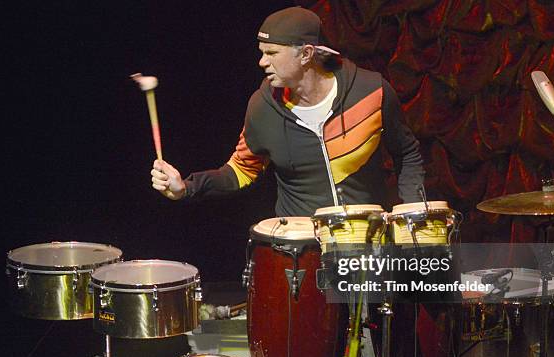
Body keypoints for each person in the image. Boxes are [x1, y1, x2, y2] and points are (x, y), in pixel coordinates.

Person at [150, 6, 424, 215]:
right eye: (261, 52)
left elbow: (407, 151)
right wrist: (187, 187)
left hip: (367, 240)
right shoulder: (262, 107)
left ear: (305, 54)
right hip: (301, 248)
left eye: (271, 53)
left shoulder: (370, 91)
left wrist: (413, 209)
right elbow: (240, 170)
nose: (262, 62)